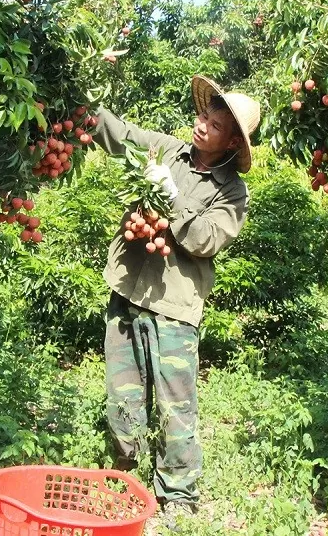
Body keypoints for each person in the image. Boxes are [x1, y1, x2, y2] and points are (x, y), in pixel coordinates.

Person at [89, 75, 260, 516]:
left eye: (216, 125)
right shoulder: (165, 149)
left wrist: (170, 194)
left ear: (231, 144)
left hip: (175, 308)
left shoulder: (232, 192)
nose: (203, 126)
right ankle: (123, 476)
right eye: (204, 115)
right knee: (122, 395)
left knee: (175, 404)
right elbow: (118, 133)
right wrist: (81, 90)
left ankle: (178, 496)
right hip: (128, 292)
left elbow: (205, 238)